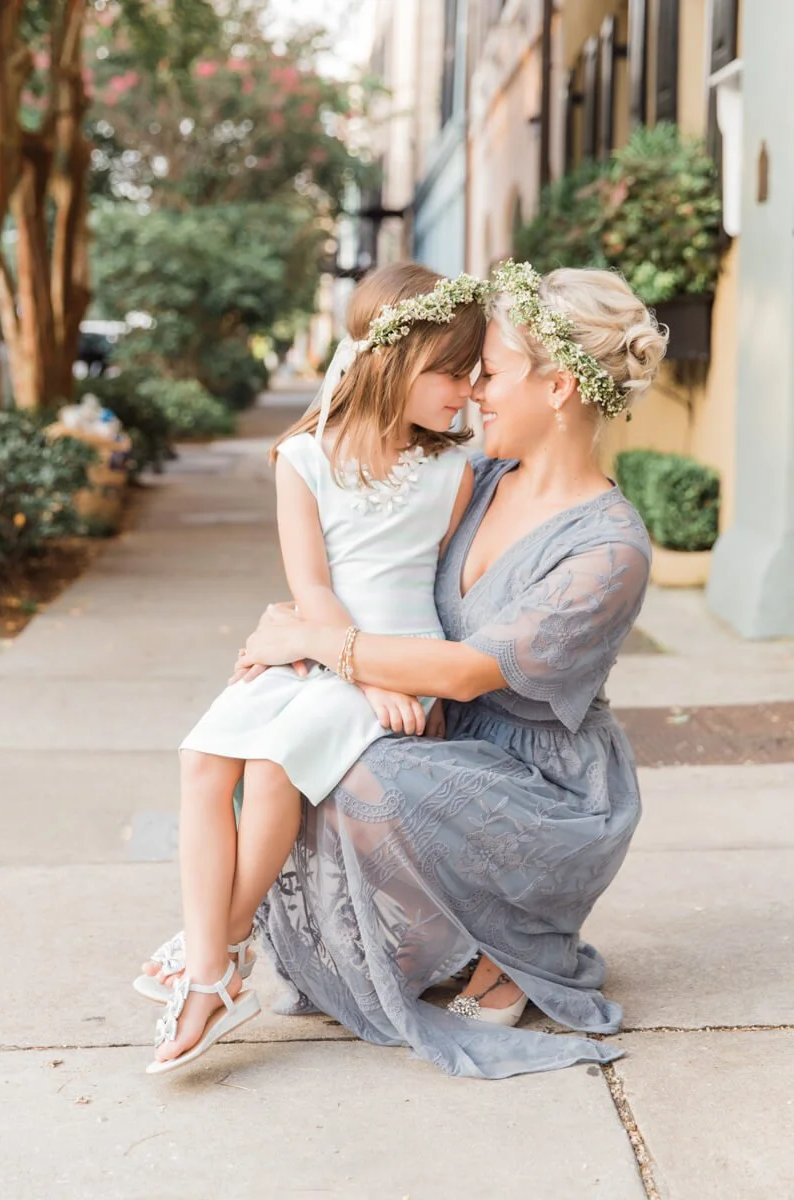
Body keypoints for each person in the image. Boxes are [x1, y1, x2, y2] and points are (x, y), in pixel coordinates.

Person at [222, 260, 668, 1078]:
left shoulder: (608, 549)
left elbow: (466, 671)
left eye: (488, 373)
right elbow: (370, 560)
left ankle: (521, 933)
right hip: (442, 733)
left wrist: (321, 644)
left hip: (541, 784)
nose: (472, 394)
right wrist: (303, 618)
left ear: (561, 386)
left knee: (360, 773)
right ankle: (444, 933)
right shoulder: (479, 477)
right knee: (285, 735)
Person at [140, 263, 490, 1074]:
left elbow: (434, 590)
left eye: (474, 374)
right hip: (330, 651)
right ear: (394, 360)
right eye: (451, 370)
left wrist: (395, 679)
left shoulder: (452, 472)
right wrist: (355, 671)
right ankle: (216, 959)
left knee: (271, 768)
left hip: (401, 659)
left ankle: (209, 968)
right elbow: (312, 586)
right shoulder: (302, 458)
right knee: (202, 758)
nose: (467, 391)